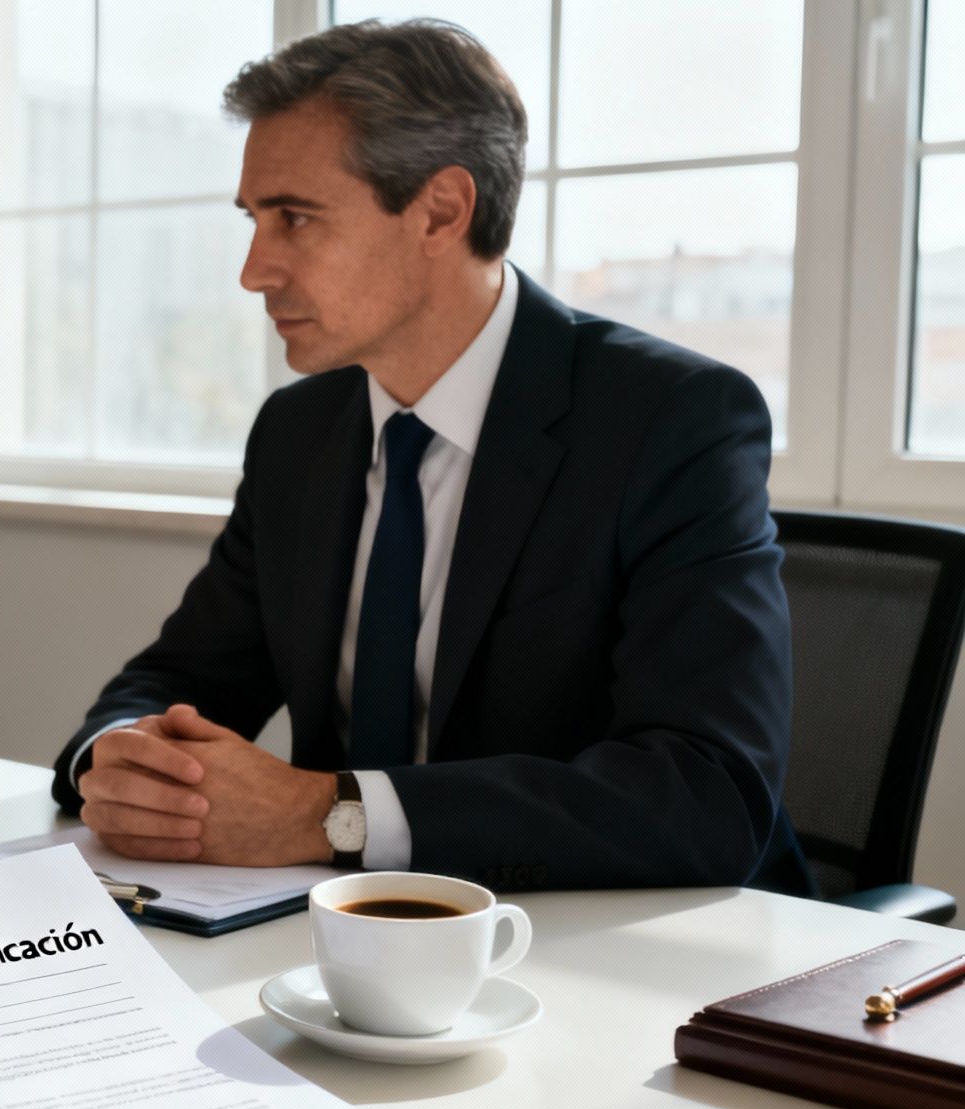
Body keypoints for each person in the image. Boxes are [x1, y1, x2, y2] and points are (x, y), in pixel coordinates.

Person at [53, 19, 810, 896]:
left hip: (622, 941)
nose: (254, 270)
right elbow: (181, 679)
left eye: (295, 218)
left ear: (442, 210)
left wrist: (325, 814)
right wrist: (118, 763)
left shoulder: (671, 421)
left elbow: (705, 796)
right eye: (253, 221)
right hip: (342, 938)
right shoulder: (298, 431)